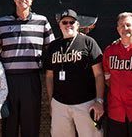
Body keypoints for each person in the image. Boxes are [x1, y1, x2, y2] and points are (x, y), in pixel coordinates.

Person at [0, 0, 55, 137]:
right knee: (9, 124)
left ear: (32, 0)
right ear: (14, 0)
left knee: (31, 124)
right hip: (8, 80)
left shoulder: (42, 21)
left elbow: (52, 49)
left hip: (31, 79)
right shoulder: (2, 22)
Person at [42, 9, 105, 137]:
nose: (68, 25)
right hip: (59, 104)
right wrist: (51, 101)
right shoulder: (53, 46)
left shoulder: (88, 42)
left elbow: (99, 74)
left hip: (86, 103)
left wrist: (99, 101)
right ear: (60, 25)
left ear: (78, 24)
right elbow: (49, 76)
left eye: (72, 22)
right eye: (64, 22)